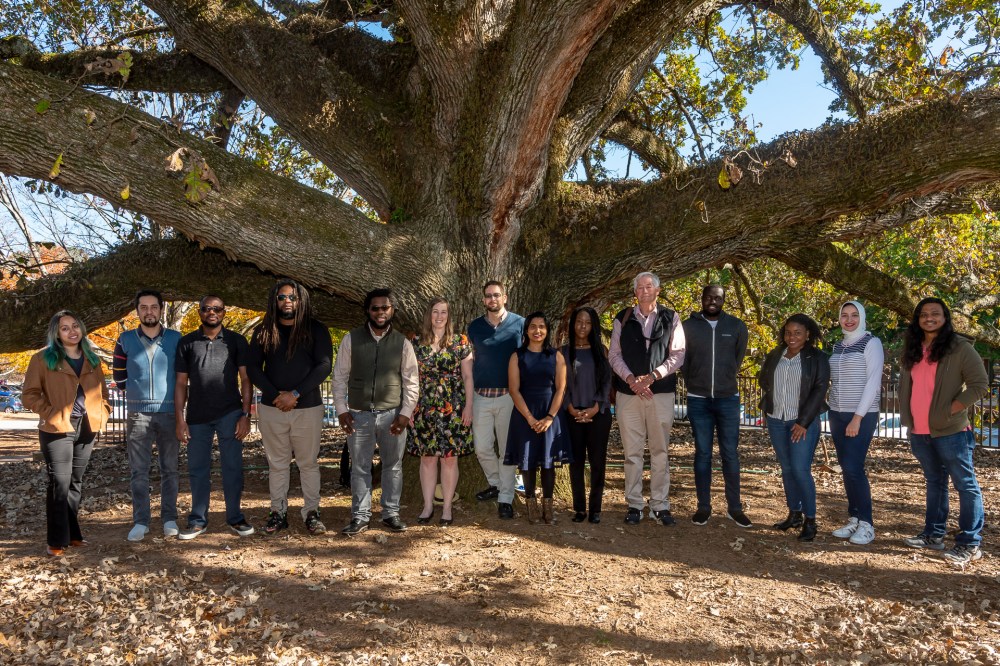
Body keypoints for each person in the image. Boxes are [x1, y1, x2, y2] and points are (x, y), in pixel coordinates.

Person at [899, 297, 988, 564]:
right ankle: (934, 534)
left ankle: (970, 543)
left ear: (945, 317)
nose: (929, 318)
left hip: (951, 430)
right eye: (923, 314)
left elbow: (980, 383)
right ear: (917, 319)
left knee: (965, 485)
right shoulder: (913, 348)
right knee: (935, 483)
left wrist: (952, 409)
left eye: (935, 314)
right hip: (920, 431)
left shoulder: (959, 347)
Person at [22, 311, 111, 556]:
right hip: (57, 428)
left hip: (87, 426)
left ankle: (72, 535)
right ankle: (55, 540)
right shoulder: (42, 359)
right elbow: (29, 395)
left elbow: (103, 391)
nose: (72, 331)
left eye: (75, 326)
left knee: (75, 482)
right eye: (65, 328)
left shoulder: (92, 359)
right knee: (59, 482)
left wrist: (103, 411)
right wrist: (51, 413)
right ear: (56, 333)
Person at [248, 279, 333, 536]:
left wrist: (295, 394)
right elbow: (253, 368)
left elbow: (324, 366)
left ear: (301, 300)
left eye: (292, 297)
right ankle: (278, 513)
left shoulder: (316, 330)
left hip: (307, 408)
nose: (287, 301)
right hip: (272, 409)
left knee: (308, 463)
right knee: (277, 464)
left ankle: (312, 513)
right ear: (275, 300)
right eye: (282, 297)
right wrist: (277, 396)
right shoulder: (264, 330)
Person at [334, 288, 419, 535]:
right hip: (359, 414)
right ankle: (360, 516)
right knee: (360, 467)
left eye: (385, 308)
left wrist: (405, 413)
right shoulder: (351, 339)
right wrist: (341, 410)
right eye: (375, 308)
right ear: (367, 311)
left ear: (392, 310)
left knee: (393, 465)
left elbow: (411, 381)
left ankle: (390, 513)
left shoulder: (403, 343)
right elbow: (339, 377)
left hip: (392, 414)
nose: (380, 312)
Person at [174, 295, 255, 540]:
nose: (212, 312)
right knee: (198, 469)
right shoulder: (187, 343)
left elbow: (246, 380)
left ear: (223, 313)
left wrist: (245, 414)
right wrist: (180, 418)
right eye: (207, 309)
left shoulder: (236, 341)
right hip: (197, 416)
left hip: (230, 413)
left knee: (233, 468)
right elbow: (180, 383)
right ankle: (198, 520)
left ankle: (235, 518)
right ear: (199, 312)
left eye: (217, 309)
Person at [608, 272, 686, 526]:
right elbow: (614, 355)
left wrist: (652, 377)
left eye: (648, 286)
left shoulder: (671, 317)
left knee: (660, 451)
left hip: (660, 393)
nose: (644, 291)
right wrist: (632, 380)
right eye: (639, 287)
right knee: (632, 453)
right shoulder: (623, 318)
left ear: (657, 291)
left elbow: (678, 354)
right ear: (634, 293)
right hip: (628, 394)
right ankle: (634, 504)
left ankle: (660, 505)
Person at [114, 289, 182, 542]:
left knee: (170, 469)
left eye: (154, 307)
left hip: (169, 412)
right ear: (137, 311)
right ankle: (141, 520)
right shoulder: (125, 338)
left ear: (161, 309)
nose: (149, 311)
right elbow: (119, 376)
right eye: (144, 307)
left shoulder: (176, 338)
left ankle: (169, 518)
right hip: (137, 414)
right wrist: (135, 393)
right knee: (138, 471)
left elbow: (184, 376)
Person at [681, 285, 751, 528]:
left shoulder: (736, 326)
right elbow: (683, 362)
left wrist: (724, 379)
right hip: (698, 400)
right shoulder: (688, 327)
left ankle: (735, 508)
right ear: (702, 299)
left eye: (718, 298)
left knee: (730, 454)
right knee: (702, 454)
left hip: (727, 399)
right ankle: (704, 506)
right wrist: (695, 383)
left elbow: (737, 358)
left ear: (724, 301)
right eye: (709, 297)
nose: (713, 301)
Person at [759, 313, 829, 542]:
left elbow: (819, 390)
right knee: (787, 469)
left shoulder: (816, 357)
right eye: (788, 332)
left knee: (800, 469)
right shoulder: (775, 355)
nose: (792, 337)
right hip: (776, 420)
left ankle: (810, 519)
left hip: (802, 423)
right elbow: (764, 380)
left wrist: (804, 422)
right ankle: (794, 514)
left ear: (808, 334)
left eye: (797, 333)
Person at [407, 298, 474, 526]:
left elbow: (467, 377)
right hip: (424, 408)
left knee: (449, 459)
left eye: (443, 312)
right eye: (435, 312)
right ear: (429, 315)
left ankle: (446, 508)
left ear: (449, 315)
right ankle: (427, 507)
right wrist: (410, 408)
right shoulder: (416, 342)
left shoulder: (460, 342)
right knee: (427, 459)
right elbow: (410, 378)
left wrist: (469, 406)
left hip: (453, 409)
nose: (439, 316)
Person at [504, 312, 571, 524]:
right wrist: (530, 418)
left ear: (547, 330)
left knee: (548, 461)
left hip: (550, 413)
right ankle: (531, 503)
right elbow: (514, 390)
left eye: (542, 326)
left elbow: (561, 389)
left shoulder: (556, 356)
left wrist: (550, 417)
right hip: (524, 414)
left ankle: (548, 506)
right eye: (533, 326)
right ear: (526, 330)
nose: (537, 331)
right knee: (527, 461)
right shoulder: (517, 356)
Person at [466, 281, 525, 519]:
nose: (493, 299)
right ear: (483, 300)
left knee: (507, 451)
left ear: (505, 297)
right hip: (481, 396)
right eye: (488, 296)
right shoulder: (475, 327)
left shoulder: (520, 323)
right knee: (482, 448)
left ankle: (505, 499)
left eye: (497, 295)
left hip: (508, 397)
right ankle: (498, 484)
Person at [828, 301, 884, 545]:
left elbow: (873, 381)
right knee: (846, 468)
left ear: (861, 317)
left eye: (854, 315)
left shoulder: (871, 342)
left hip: (860, 414)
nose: (849, 319)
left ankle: (867, 524)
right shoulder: (838, 346)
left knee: (853, 467)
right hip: (837, 413)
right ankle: (854, 518)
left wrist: (858, 417)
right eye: (844, 315)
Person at [562, 306, 612, 524]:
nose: (583, 326)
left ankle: (595, 509)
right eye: (579, 322)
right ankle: (580, 508)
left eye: (588, 322)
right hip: (572, 413)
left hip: (597, 414)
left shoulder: (601, 350)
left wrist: (595, 407)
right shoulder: (563, 352)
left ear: (594, 326)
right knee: (576, 463)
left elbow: (607, 382)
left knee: (598, 462)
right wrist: (570, 407)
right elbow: (559, 385)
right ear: (573, 324)